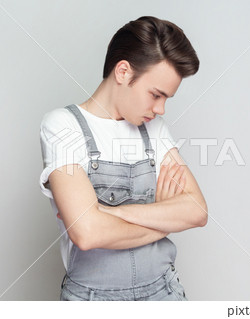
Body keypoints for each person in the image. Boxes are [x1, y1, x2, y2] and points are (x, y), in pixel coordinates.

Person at [39, 16, 208, 301]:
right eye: (156, 94)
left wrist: (109, 213)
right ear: (123, 72)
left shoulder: (154, 130)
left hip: (164, 294)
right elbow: (88, 233)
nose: (161, 109)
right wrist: (164, 217)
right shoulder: (62, 126)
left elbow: (197, 211)